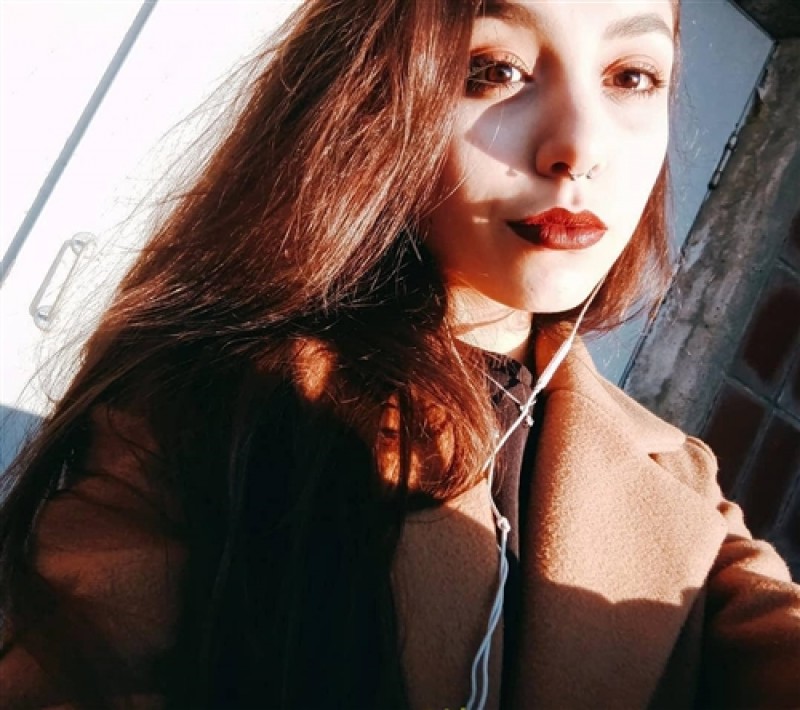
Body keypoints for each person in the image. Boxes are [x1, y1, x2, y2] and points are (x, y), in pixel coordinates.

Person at [1, 0, 798, 707]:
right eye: (495, 69)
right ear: (374, 92)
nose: (580, 147)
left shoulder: (682, 482)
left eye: (631, 77)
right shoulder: (216, 405)